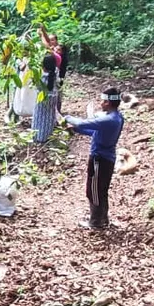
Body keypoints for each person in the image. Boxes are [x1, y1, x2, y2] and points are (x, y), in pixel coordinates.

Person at [65, 88, 125, 229]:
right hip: (106, 158)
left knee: (94, 191)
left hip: (100, 158)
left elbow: (82, 123)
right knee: (101, 190)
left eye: (103, 101)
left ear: (109, 102)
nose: (101, 103)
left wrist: (67, 117)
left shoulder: (108, 119)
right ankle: (102, 219)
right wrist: (75, 130)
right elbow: (93, 132)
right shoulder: (116, 117)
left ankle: (95, 222)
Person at [38, 23, 69, 112]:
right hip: (51, 75)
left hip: (56, 76)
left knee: (54, 94)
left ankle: (56, 112)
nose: (51, 42)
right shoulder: (54, 52)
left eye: (52, 40)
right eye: (50, 39)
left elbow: (46, 44)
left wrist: (42, 33)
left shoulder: (58, 56)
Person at [32, 54, 60, 143]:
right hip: (53, 97)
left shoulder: (40, 76)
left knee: (39, 117)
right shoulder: (55, 72)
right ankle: (47, 136)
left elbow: (37, 86)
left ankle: (38, 137)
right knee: (48, 117)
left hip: (43, 97)